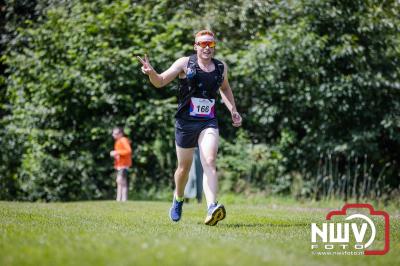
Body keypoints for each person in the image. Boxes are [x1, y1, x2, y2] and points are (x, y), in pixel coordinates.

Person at [137, 30, 242, 226]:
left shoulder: (220, 67)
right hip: (185, 122)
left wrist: (233, 110)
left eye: (210, 44)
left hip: (208, 121)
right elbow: (160, 81)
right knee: (183, 168)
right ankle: (178, 199)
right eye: (203, 44)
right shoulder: (185, 63)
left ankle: (212, 207)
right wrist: (151, 72)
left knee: (210, 160)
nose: (207, 48)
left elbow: (225, 88)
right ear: (196, 46)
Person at [110, 127, 132, 202]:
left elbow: (128, 150)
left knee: (119, 180)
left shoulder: (123, 140)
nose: (113, 135)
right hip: (120, 165)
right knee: (122, 182)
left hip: (124, 164)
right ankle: (121, 199)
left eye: (115, 133)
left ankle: (121, 198)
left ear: (121, 134)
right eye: (113, 133)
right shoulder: (118, 141)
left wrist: (116, 152)